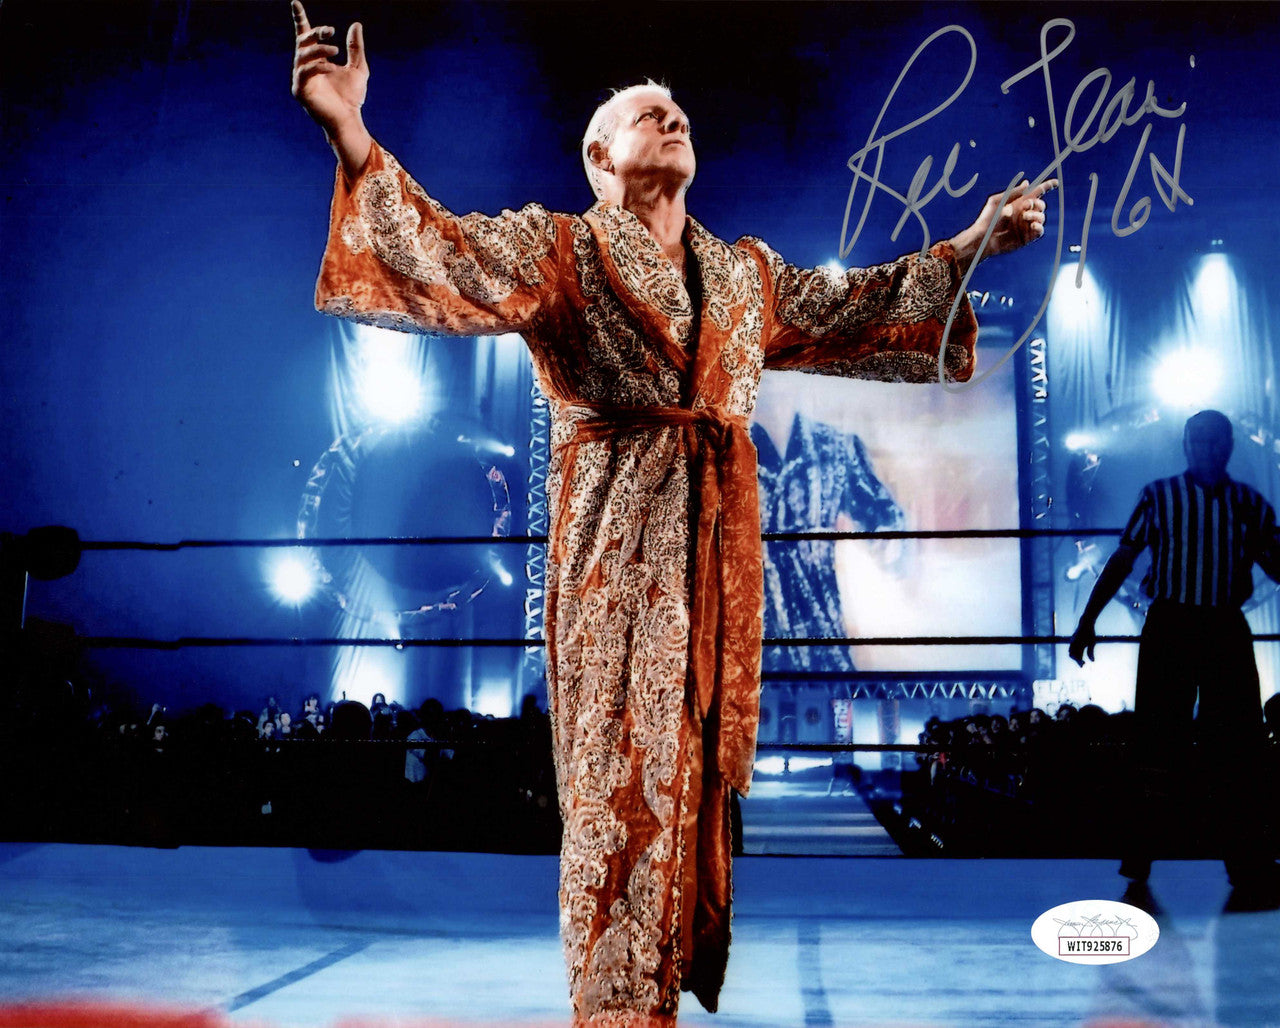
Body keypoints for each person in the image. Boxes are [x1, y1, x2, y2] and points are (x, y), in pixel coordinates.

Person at [290, 5, 1053, 1022]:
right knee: (617, 790)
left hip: (712, 572)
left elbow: (859, 306)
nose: (673, 118)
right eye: (648, 114)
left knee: (688, 784)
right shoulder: (561, 251)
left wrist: (970, 244)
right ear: (600, 157)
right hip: (615, 564)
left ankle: (655, 995)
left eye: (679, 110)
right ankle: (613, 1009)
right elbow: (448, 252)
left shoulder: (743, 276)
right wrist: (350, 131)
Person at [1069, 410, 1280, 893]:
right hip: (1184, 624)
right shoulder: (1165, 496)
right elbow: (1123, 558)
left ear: (1227, 445)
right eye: (1198, 439)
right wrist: (1086, 619)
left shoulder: (1244, 503)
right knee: (1165, 740)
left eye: (1213, 440)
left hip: (1207, 625)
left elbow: (1275, 561)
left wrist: (1088, 621)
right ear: (1187, 445)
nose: (1206, 448)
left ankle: (1219, 857)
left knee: (1232, 744)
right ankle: (1156, 855)